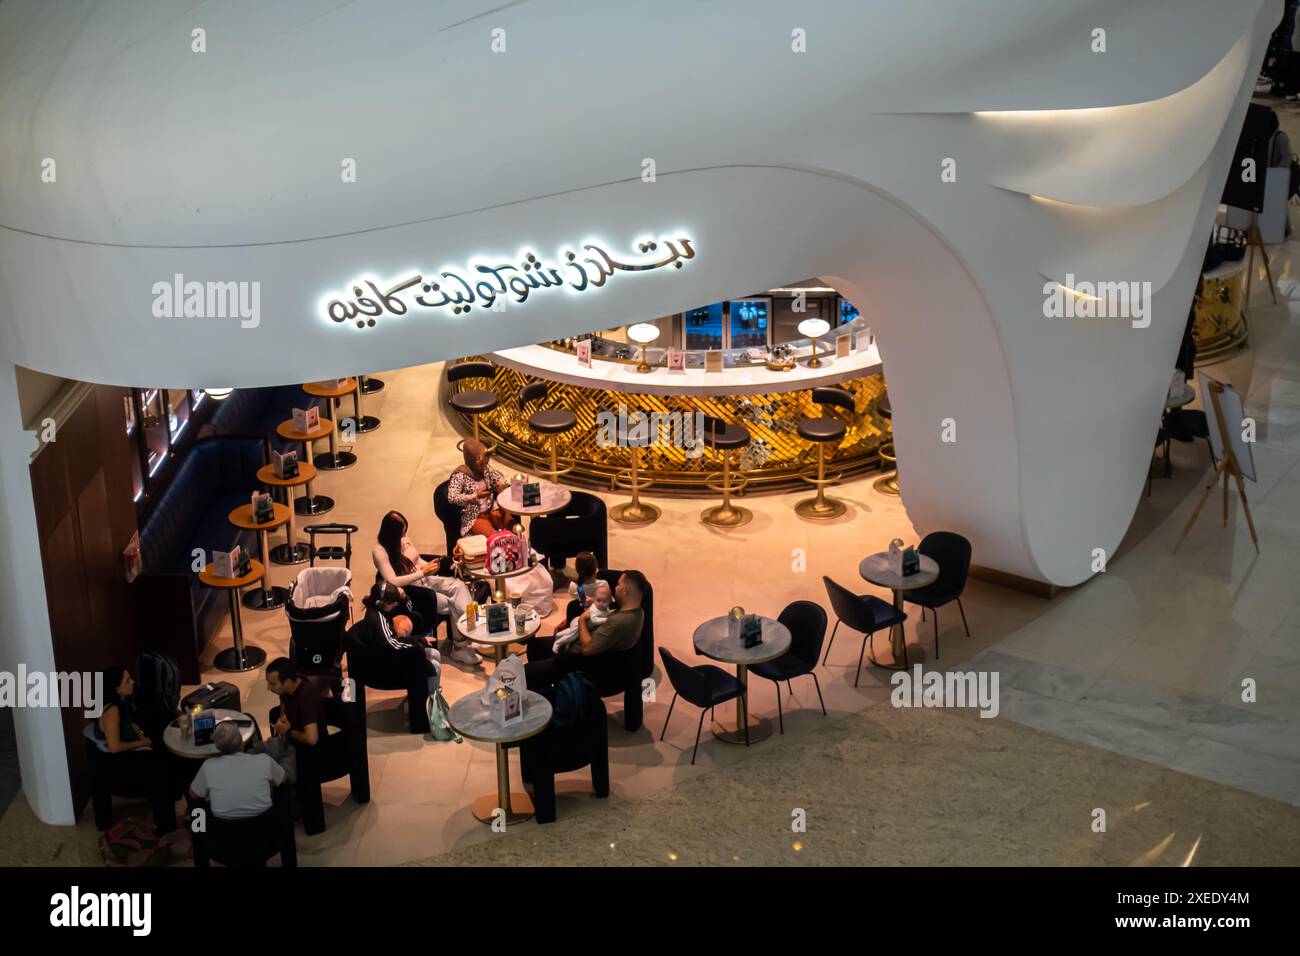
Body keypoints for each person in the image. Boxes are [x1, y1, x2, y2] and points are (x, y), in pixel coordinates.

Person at [372, 509, 477, 664]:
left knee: (459, 586)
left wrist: (429, 566)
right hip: (412, 589)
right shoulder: (380, 551)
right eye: (402, 533)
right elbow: (393, 581)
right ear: (392, 534)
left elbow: (417, 559)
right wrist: (423, 573)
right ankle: (462, 647)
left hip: (425, 579)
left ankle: (472, 629)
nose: (404, 536)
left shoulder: (403, 539)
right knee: (452, 602)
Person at [90, 665, 177, 832]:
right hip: (116, 764)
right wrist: (142, 743)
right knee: (162, 763)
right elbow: (114, 747)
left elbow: (127, 726)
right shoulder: (112, 710)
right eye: (127, 680)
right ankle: (166, 826)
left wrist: (137, 731)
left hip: (123, 755)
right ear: (116, 688)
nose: (133, 682)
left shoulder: (120, 703)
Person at [525, 570, 647, 689]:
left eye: (619, 584)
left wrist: (582, 619)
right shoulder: (637, 611)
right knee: (535, 647)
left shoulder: (619, 622)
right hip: (579, 647)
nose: (616, 588)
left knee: (527, 672)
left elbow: (588, 648)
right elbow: (608, 613)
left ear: (626, 590)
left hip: (581, 661)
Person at [188, 722, 285, 820]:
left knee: (197, 801)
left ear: (217, 747)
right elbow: (284, 779)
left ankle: (197, 829)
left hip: (223, 830)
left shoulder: (208, 766)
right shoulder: (264, 760)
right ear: (242, 741)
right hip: (264, 826)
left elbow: (193, 794)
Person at [360, 581, 444, 694]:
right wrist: (418, 643)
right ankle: (429, 700)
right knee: (435, 667)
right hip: (385, 664)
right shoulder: (377, 618)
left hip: (391, 653)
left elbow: (408, 611)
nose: (396, 605)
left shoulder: (381, 608)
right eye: (393, 602)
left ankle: (427, 692)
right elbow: (392, 643)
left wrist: (404, 597)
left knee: (435, 654)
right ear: (383, 603)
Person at [263, 658, 327, 784]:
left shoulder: (305, 697)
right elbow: (283, 700)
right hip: (296, 732)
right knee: (273, 715)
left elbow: (312, 739)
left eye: (272, 684)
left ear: (287, 682)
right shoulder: (293, 682)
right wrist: (283, 717)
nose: (268, 688)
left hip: (311, 750)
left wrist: (288, 731)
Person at [447, 438, 511, 537]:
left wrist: (503, 484)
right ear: (473, 461)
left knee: (512, 526)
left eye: (485, 463)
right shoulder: (460, 475)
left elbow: (498, 479)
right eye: (481, 464)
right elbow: (452, 497)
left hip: (491, 508)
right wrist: (475, 496)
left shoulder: (486, 468)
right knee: (495, 538)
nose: (485, 466)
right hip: (474, 515)